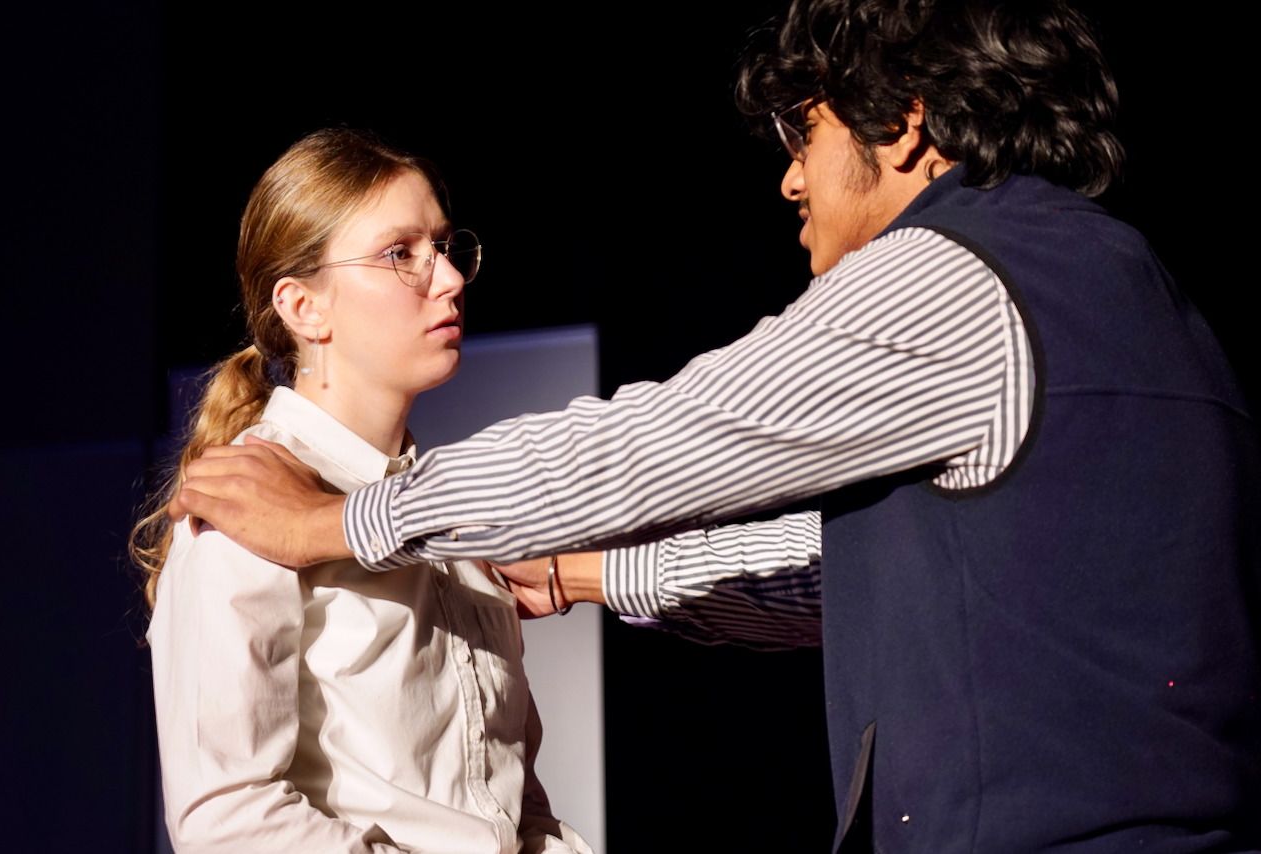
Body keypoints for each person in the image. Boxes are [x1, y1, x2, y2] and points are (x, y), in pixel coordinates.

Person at [169, 1, 1261, 850]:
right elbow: (863, 576)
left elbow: (654, 444)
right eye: (400, 254)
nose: (789, 178)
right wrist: (592, 574)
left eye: (804, 131)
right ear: (298, 304)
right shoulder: (1135, 288)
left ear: (902, 120)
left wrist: (343, 521)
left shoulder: (945, 282)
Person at [132, 128, 592, 853]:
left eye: (444, 247)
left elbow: (507, 808)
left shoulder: (448, 516)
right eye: (399, 254)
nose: (450, 278)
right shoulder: (248, 506)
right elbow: (229, 822)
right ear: (303, 307)